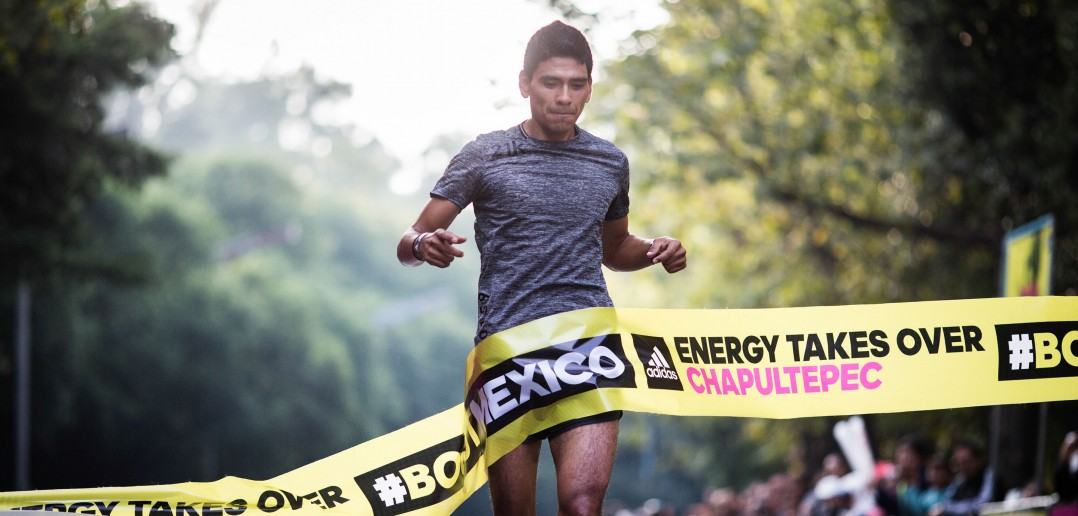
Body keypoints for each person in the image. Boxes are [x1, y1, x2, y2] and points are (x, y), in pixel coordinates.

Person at [396, 20, 687, 516]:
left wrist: (657, 250)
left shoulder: (609, 162)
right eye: (551, 83)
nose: (564, 97)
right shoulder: (485, 155)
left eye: (576, 85)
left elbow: (615, 248)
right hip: (508, 349)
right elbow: (409, 238)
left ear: (590, 88)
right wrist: (425, 244)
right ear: (525, 84)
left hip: (589, 344)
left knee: (582, 504)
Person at [929, 441, 1002, 516]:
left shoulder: (989, 476)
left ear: (978, 460)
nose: (963, 466)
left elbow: (983, 505)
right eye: (959, 463)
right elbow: (947, 502)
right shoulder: (960, 479)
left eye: (966, 462)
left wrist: (948, 509)